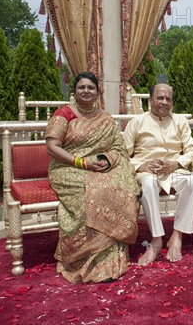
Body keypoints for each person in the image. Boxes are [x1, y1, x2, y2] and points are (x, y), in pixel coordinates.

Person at [45, 72, 141, 283]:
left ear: (97, 92)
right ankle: (80, 257)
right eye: (82, 87)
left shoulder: (104, 118)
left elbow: (117, 147)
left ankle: (109, 258)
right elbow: (52, 147)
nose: (86, 91)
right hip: (68, 167)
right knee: (94, 191)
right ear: (75, 91)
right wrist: (83, 163)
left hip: (98, 165)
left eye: (91, 88)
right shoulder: (64, 114)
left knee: (120, 186)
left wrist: (107, 160)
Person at [122, 83, 193, 264]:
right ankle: (156, 240)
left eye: (168, 99)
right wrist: (141, 166)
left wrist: (175, 163)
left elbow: (192, 151)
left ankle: (177, 236)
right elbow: (122, 154)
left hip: (174, 169)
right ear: (150, 100)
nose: (164, 102)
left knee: (191, 181)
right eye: (160, 98)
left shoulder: (180, 121)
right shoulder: (137, 123)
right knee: (149, 183)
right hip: (147, 171)